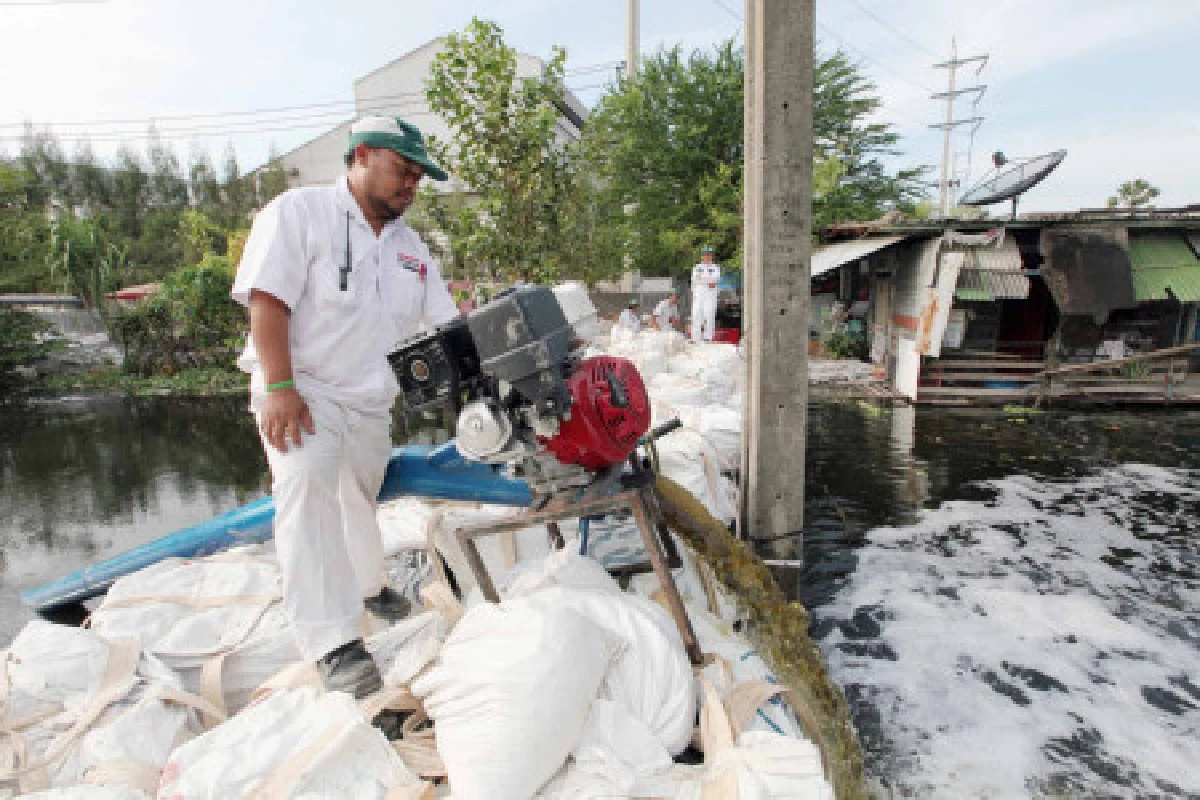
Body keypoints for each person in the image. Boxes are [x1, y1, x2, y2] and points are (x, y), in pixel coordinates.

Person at [231, 115, 459, 700]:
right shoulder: (298, 213)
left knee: (357, 493)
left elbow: (446, 325)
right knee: (306, 487)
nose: (411, 184)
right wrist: (279, 389)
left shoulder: (413, 250)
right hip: (301, 389)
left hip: (368, 401)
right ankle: (333, 643)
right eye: (401, 170)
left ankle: (365, 588)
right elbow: (267, 301)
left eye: (417, 177)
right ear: (361, 156)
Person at [690, 246, 722, 342]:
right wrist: (707, 280)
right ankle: (695, 338)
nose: (707, 257)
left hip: (710, 295)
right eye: (705, 255)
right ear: (702, 256)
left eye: (709, 255)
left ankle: (708, 338)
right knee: (696, 315)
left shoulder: (715, 268)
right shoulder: (697, 267)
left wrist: (702, 279)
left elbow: (715, 279)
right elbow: (695, 279)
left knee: (709, 315)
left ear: (712, 256)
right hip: (698, 294)